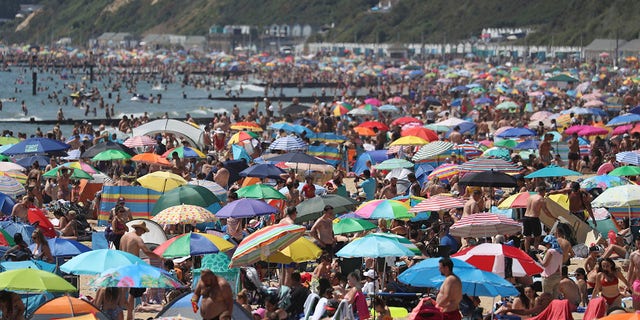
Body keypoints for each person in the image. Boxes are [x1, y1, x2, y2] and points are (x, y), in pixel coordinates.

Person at [119, 221, 162, 320]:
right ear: (140, 229)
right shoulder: (137, 239)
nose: (143, 233)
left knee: (122, 293)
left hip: (123, 265)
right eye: (143, 231)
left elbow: (120, 251)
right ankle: (129, 316)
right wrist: (159, 257)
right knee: (132, 293)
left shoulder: (124, 237)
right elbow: (147, 252)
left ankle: (123, 315)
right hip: (133, 266)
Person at [523, 186, 553, 253]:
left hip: (526, 217)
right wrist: (553, 217)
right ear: (543, 191)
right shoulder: (541, 199)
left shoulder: (530, 197)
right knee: (537, 237)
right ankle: (536, 252)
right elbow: (546, 211)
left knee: (527, 237)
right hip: (534, 218)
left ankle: (526, 252)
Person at [538, 235, 563, 299]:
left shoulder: (550, 251)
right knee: (555, 298)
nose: (546, 246)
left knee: (546, 297)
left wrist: (539, 257)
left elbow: (544, 264)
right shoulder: (560, 251)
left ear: (549, 243)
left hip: (549, 276)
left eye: (546, 244)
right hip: (557, 275)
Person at [627, 237, 640, 309]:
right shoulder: (633, 255)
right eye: (638, 240)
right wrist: (628, 283)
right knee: (636, 307)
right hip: (637, 283)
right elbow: (630, 270)